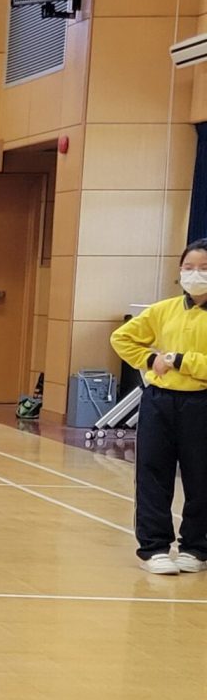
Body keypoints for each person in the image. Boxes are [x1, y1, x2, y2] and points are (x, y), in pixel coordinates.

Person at [110, 239, 207, 574]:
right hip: (160, 401)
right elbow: (122, 338)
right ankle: (154, 548)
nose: (195, 274)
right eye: (189, 267)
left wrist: (181, 360)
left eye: (204, 268)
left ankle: (196, 547)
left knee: (201, 476)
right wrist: (151, 359)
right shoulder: (163, 310)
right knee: (152, 472)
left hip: (202, 402)